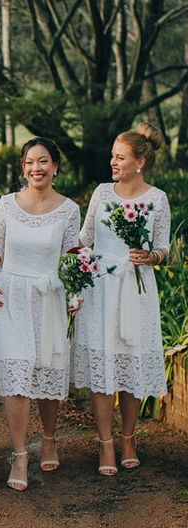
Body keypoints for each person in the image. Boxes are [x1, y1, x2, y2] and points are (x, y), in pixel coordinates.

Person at [0, 137, 80, 491]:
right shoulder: (7, 205)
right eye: (30, 162)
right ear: (23, 168)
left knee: (46, 368)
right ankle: (20, 454)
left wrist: (76, 291)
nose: (36, 168)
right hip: (11, 296)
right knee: (17, 371)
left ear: (55, 167)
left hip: (49, 296)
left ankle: (49, 438)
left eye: (43, 161)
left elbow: (74, 256)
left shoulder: (69, 209)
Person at [70, 123, 170, 475]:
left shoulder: (156, 199)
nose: (113, 162)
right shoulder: (101, 193)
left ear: (139, 162)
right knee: (103, 367)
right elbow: (84, 238)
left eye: (120, 157)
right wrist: (70, 263)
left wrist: (151, 257)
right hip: (102, 288)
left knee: (130, 364)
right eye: (113, 156)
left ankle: (128, 437)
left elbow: (163, 248)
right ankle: (105, 443)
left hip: (136, 289)